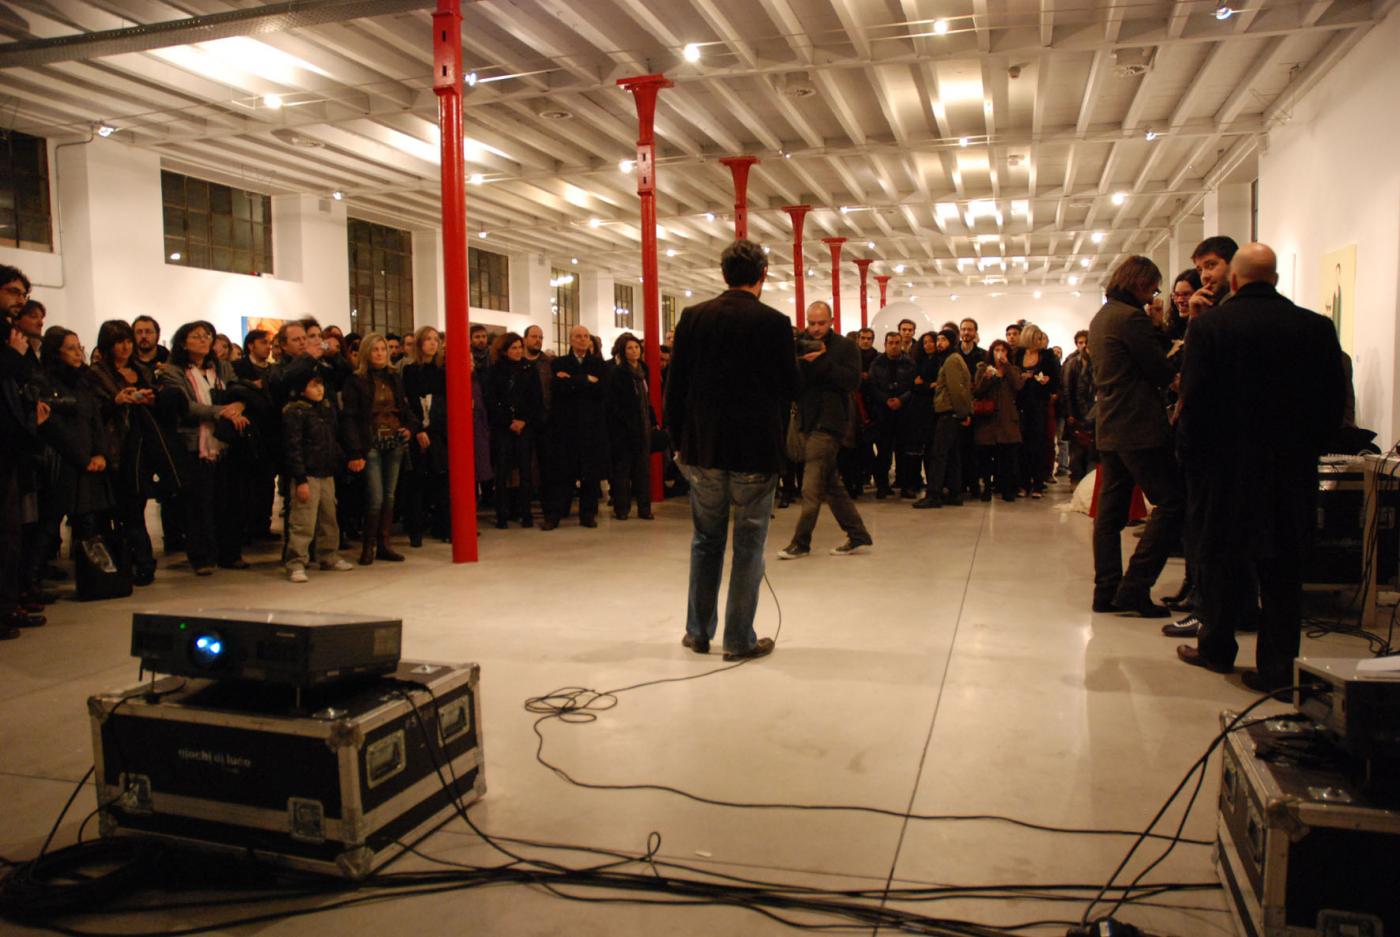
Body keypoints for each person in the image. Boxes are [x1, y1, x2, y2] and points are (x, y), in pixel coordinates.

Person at [1175, 244, 1346, 690]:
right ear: (1275, 279)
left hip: (1224, 470)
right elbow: (1333, 404)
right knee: (1283, 573)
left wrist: (1191, 460)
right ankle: (1277, 668)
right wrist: (1308, 449)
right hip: (1289, 470)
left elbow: (1194, 401)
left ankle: (1216, 649)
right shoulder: (1315, 327)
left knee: (1220, 562)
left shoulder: (1210, 327)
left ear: (1234, 280)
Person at [665, 239, 800, 661]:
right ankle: (739, 640)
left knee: (706, 540)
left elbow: (675, 387)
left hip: (704, 449)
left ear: (724, 274)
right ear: (763, 275)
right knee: (748, 545)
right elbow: (790, 387)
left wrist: (678, 441)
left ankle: (698, 632)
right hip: (755, 451)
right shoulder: (775, 323)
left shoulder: (693, 317)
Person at [1087, 256, 1184, 618]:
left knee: (1110, 515)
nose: (1155, 295)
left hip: (1112, 426)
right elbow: (1159, 370)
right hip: (1138, 427)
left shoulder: (1103, 316)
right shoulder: (1130, 318)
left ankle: (1106, 591)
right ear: (1141, 283)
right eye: (1153, 289)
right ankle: (1134, 587)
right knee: (1173, 502)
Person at [85, 320, 177, 586]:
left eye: (128, 340)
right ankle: (121, 565)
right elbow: (90, 413)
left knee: (135, 508)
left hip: (140, 448)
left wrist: (150, 398)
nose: (125, 346)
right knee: (115, 512)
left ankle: (143, 564)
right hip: (111, 449)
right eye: (119, 342)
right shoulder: (96, 374)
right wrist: (115, 402)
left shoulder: (140, 370)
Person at [777, 300, 872, 560]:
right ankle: (858, 534)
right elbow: (793, 384)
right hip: (807, 421)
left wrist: (822, 361)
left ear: (831, 321)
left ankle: (801, 542)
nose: (816, 328)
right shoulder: (801, 345)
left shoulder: (845, 347)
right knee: (831, 485)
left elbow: (851, 382)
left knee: (811, 487)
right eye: (811, 323)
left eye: (821, 323)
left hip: (830, 424)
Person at [156, 320, 251, 575]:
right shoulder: (172, 371)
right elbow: (185, 407)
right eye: (196, 336)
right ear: (183, 342)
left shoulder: (222, 367)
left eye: (207, 335)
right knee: (199, 504)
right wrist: (221, 411)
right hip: (193, 443)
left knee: (228, 501)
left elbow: (238, 390)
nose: (203, 340)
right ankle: (202, 557)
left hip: (225, 441)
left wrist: (238, 406)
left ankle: (230, 553)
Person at [29, 327, 111, 591]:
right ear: (56, 352)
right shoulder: (43, 382)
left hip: (86, 461)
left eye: (79, 347)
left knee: (88, 523)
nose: (78, 353)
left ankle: (95, 580)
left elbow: (94, 420)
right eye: (71, 348)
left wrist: (99, 453)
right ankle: (30, 583)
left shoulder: (84, 380)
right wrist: (82, 458)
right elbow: (52, 427)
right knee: (49, 525)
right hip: (60, 462)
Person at [340, 332, 419, 565]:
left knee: (389, 496)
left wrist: (410, 428)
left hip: (394, 441)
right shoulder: (355, 380)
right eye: (375, 349)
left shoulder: (394, 377)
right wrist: (354, 451)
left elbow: (405, 408)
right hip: (370, 442)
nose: (380, 354)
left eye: (383, 349)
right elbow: (349, 418)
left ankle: (384, 543)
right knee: (375, 496)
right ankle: (369, 545)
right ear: (366, 352)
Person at [1, 306, 49, 637]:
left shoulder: (18, 347)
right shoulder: (13, 350)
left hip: (13, 449)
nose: (19, 301)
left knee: (12, 534)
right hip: (8, 447)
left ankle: (9, 605)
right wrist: (14, 355)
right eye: (14, 292)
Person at [282, 372, 353, 581]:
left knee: (329, 518)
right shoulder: (295, 411)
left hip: (326, 471)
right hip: (307, 474)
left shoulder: (326, 408)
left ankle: (328, 555)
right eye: (313, 386)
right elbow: (293, 447)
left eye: (320, 385)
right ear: (301, 389)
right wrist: (300, 479)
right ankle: (296, 562)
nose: (319, 389)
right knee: (303, 520)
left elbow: (332, 438)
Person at [542, 325, 609, 530]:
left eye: (586, 336)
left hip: (591, 427)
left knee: (590, 474)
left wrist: (572, 381)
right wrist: (586, 380)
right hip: (565, 427)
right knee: (562, 473)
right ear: (570, 340)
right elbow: (558, 388)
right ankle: (555, 514)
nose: (582, 339)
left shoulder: (599, 364)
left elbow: (601, 391)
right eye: (578, 336)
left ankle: (587, 515)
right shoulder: (559, 363)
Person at [401, 326, 453, 546]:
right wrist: (419, 430)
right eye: (428, 339)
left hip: (438, 432)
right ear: (419, 343)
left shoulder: (442, 371)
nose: (433, 343)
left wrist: (432, 430)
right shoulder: (410, 371)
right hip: (418, 431)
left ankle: (444, 527)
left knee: (442, 480)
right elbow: (410, 401)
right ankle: (416, 530)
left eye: (435, 339)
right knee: (417, 483)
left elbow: (444, 405)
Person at [487, 331, 542, 529]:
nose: (518, 351)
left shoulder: (529, 369)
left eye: (520, 347)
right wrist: (508, 422)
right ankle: (502, 514)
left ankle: (525, 512)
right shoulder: (495, 371)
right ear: (504, 350)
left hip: (524, 427)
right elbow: (491, 400)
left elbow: (535, 399)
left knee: (525, 472)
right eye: (514, 348)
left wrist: (523, 421)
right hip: (503, 428)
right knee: (502, 472)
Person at [915, 326, 972, 508]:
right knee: (952, 455)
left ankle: (934, 495)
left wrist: (962, 413)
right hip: (953, 413)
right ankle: (955, 493)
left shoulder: (951, 360)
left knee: (938, 454)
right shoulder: (952, 358)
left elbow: (956, 389)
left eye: (943, 340)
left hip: (949, 413)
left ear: (952, 342)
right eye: (938, 339)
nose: (939, 343)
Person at [606, 332, 655, 521]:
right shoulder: (618, 372)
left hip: (643, 427)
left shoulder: (644, 370)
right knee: (623, 471)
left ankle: (644, 508)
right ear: (623, 351)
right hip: (624, 430)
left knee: (643, 470)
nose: (634, 351)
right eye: (629, 348)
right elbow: (614, 404)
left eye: (636, 347)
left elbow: (647, 399)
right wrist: (625, 423)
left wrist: (652, 421)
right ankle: (622, 509)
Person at [972, 339, 1024, 501]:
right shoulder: (983, 369)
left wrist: (1007, 366)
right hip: (987, 420)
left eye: (1003, 350)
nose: (1000, 353)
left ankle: (1007, 489)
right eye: (996, 350)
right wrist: (987, 378)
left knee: (1007, 457)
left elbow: (1018, 386)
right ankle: (986, 488)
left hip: (1007, 419)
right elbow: (977, 391)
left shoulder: (1013, 369)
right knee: (986, 457)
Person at [867, 331, 916, 498]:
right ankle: (882, 485)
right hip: (883, 413)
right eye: (891, 343)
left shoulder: (909, 363)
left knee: (904, 452)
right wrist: (886, 400)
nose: (894, 346)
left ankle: (905, 486)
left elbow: (913, 386)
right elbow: (872, 386)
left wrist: (901, 400)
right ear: (885, 344)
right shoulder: (877, 363)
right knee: (884, 451)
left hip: (904, 413)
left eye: (897, 342)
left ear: (901, 344)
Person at [1016, 323, 1060, 499]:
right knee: (1022, 445)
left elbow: (1056, 381)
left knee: (1038, 444)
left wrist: (1046, 381)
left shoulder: (1047, 357)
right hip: (1021, 404)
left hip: (1039, 404)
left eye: (1041, 338)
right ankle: (1023, 483)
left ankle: (1038, 484)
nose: (1041, 341)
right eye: (1037, 338)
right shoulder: (1019, 355)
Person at [1061, 329, 1098, 485]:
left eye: (1086, 343)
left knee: (1092, 450)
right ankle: (1076, 481)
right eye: (1080, 343)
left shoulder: (1096, 363)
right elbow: (1067, 389)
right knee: (1077, 450)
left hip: (1094, 411)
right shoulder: (1072, 363)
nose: (1083, 346)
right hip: (1076, 413)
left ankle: (1089, 483)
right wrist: (1070, 413)